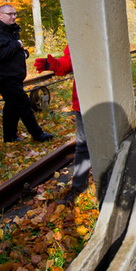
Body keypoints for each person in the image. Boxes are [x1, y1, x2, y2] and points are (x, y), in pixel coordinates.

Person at [0, 4, 53, 143]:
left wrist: (23, 53)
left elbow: (9, 51)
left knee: (11, 106)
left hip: (12, 75)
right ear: (0, 15)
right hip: (4, 77)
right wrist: (17, 45)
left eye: (14, 14)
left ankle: (9, 137)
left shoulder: (8, 30)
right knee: (23, 102)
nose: (13, 17)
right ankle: (37, 134)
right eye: (9, 14)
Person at [34, 45, 89, 200]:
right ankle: (79, 187)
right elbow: (70, 61)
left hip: (106, 98)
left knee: (109, 143)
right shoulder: (77, 30)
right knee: (83, 145)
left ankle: (112, 183)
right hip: (82, 100)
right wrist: (56, 65)